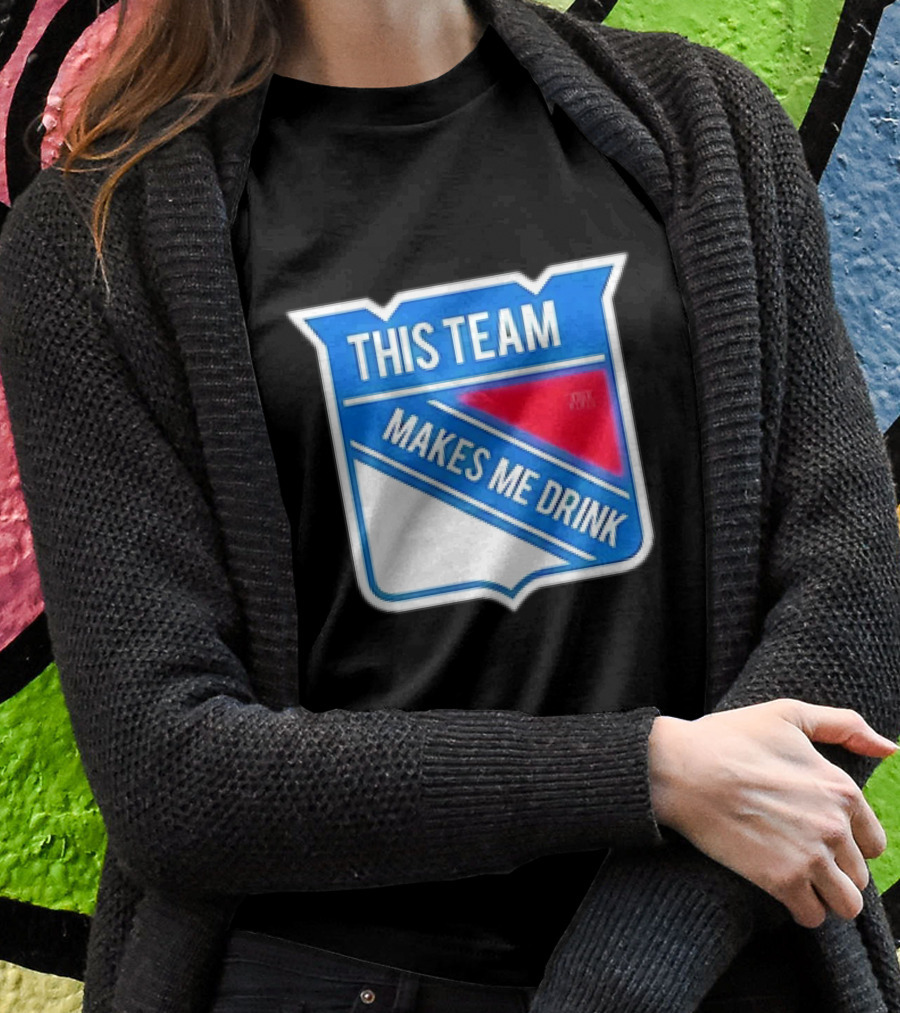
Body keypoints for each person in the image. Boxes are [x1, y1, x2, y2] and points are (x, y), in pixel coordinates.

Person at [0, 0, 899, 1010]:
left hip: (711, 968)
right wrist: (648, 772)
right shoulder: (102, 240)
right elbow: (174, 773)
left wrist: (628, 971)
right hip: (340, 980)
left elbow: (852, 603)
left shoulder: (703, 129)